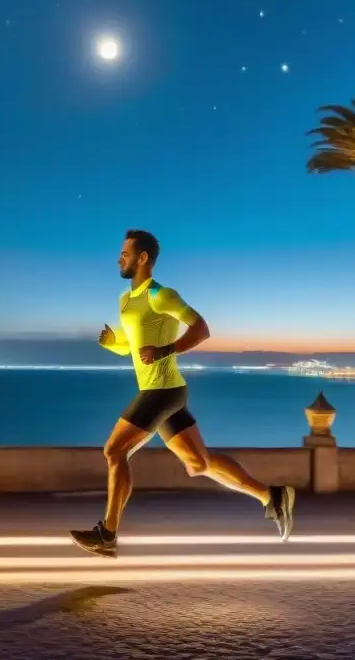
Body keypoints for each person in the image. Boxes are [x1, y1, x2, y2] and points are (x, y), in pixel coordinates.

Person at [70, 229, 296, 558]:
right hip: (164, 391)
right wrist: (113, 344)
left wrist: (164, 350)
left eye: (125, 253)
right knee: (198, 464)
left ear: (142, 258)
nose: (119, 258)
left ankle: (108, 533)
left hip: (162, 391)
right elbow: (134, 349)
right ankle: (272, 497)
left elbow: (201, 329)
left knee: (114, 452)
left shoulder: (161, 295)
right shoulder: (126, 300)